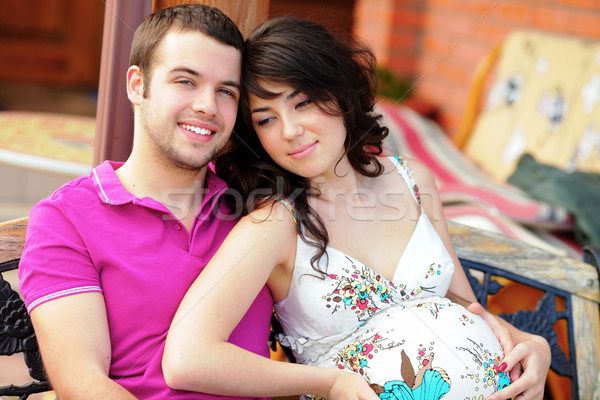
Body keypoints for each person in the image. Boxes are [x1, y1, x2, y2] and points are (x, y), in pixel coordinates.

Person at [162, 16, 552, 400]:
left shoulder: (413, 180)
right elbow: (187, 357)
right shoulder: (274, 225)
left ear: (341, 95)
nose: (290, 131)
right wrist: (328, 383)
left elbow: (464, 304)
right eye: (266, 120)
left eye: (304, 102)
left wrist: (529, 343)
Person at [18, 5, 273, 399]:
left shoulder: (254, 209)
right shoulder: (66, 218)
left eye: (226, 91)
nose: (207, 105)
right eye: (186, 81)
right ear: (137, 85)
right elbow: (83, 384)